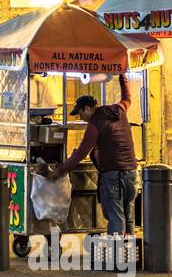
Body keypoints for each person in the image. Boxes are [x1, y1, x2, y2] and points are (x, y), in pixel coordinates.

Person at [52, 74, 139, 241]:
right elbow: (127, 98)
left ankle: (117, 258)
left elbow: (81, 152)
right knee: (128, 216)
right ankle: (128, 257)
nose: (81, 118)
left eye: (80, 113)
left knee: (116, 217)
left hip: (112, 175)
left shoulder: (95, 124)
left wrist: (60, 170)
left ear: (87, 108)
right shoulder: (119, 110)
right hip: (131, 173)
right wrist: (123, 77)